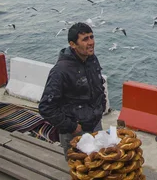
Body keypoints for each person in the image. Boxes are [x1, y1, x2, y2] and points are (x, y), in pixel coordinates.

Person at [39, 22, 107, 160]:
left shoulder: (92, 60)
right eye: (85, 39)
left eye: (91, 37)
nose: (91, 42)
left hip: (95, 124)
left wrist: (101, 107)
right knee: (79, 171)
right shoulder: (61, 71)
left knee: (99, 165)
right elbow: (46, 107)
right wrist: (71, 127)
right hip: (75, 132)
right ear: (73, 44)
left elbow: (99, 86)